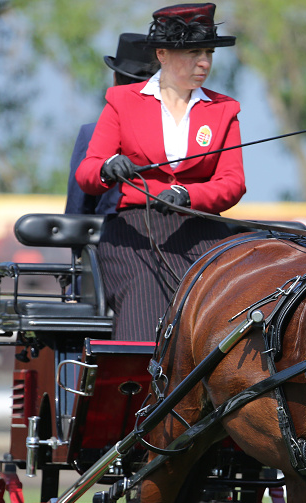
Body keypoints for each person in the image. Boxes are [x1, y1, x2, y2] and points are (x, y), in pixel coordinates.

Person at [75, 2, 245, 341]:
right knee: (145, 295)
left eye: (209, 52)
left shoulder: (223, 109)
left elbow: (233, 182)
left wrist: (189, 195)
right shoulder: (122, 101)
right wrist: (110, 168)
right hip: (135, 232)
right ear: (163, 54)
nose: (204, 63)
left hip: (200, 230)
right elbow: (88, 172)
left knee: (233, 298)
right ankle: (138, 385)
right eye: (194, 52)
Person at [65, 33, 160, 215]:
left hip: (111, 237)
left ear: (115, 79)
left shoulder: (91, 133)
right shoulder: (185, 130)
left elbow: (77, 211)